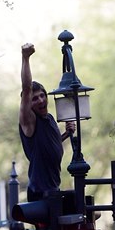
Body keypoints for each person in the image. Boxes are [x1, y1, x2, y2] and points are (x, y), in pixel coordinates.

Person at [20, 42, 75, 202]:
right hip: (39, 194)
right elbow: (26, 88)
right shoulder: (29, 121)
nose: (40, 100)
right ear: (28, 104)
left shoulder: (49, 119)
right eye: (35, 98)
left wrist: (66, 133)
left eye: (42, 95)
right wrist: (25, 58)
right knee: (78, 206)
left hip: (53, 190)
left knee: (84, 207)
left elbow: (50, 143)